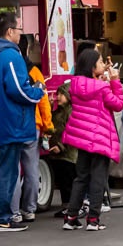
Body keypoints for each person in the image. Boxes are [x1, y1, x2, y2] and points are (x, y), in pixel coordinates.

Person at [0, 11, 45, 232]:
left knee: (1, 170)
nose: (20, 34)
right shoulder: (11, 56)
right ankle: (1, 218)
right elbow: (18, 90)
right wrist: (37, 92)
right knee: (8, 171)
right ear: (9, 31)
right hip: (11, 122)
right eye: (19, 30)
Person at [61, 47, 123, 231]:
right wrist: (115, 81)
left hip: (82, 137)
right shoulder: (102, 87)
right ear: (91, 67)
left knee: (81, 177)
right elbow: (118, 104)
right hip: (100, 137)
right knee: (98, 178)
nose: (104, 64)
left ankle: (71, 216)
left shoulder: (74, 84)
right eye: (100, 62)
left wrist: (104, 80)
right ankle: (93, 219)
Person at [10, 35, 54, 224]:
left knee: (13, 170)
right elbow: (43, 101)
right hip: (33, 126)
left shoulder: (8, 68)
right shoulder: (34, 71)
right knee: (31, 169)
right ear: (27, 50)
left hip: (12, 124)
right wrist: (48, 125)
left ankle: (13, 212)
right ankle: (29, 209)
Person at [48, 82, 78, 216]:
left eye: (61, 94)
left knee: (68, 181)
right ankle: (67, 206)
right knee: (63, 181)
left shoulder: (71, 112)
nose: (57, 97)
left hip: (69, 154)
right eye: (57, 94)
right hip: (58, 154)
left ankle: (72, 207)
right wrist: (48, 107)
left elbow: (71, 132)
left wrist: (60, 146)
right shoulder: (58, 112)